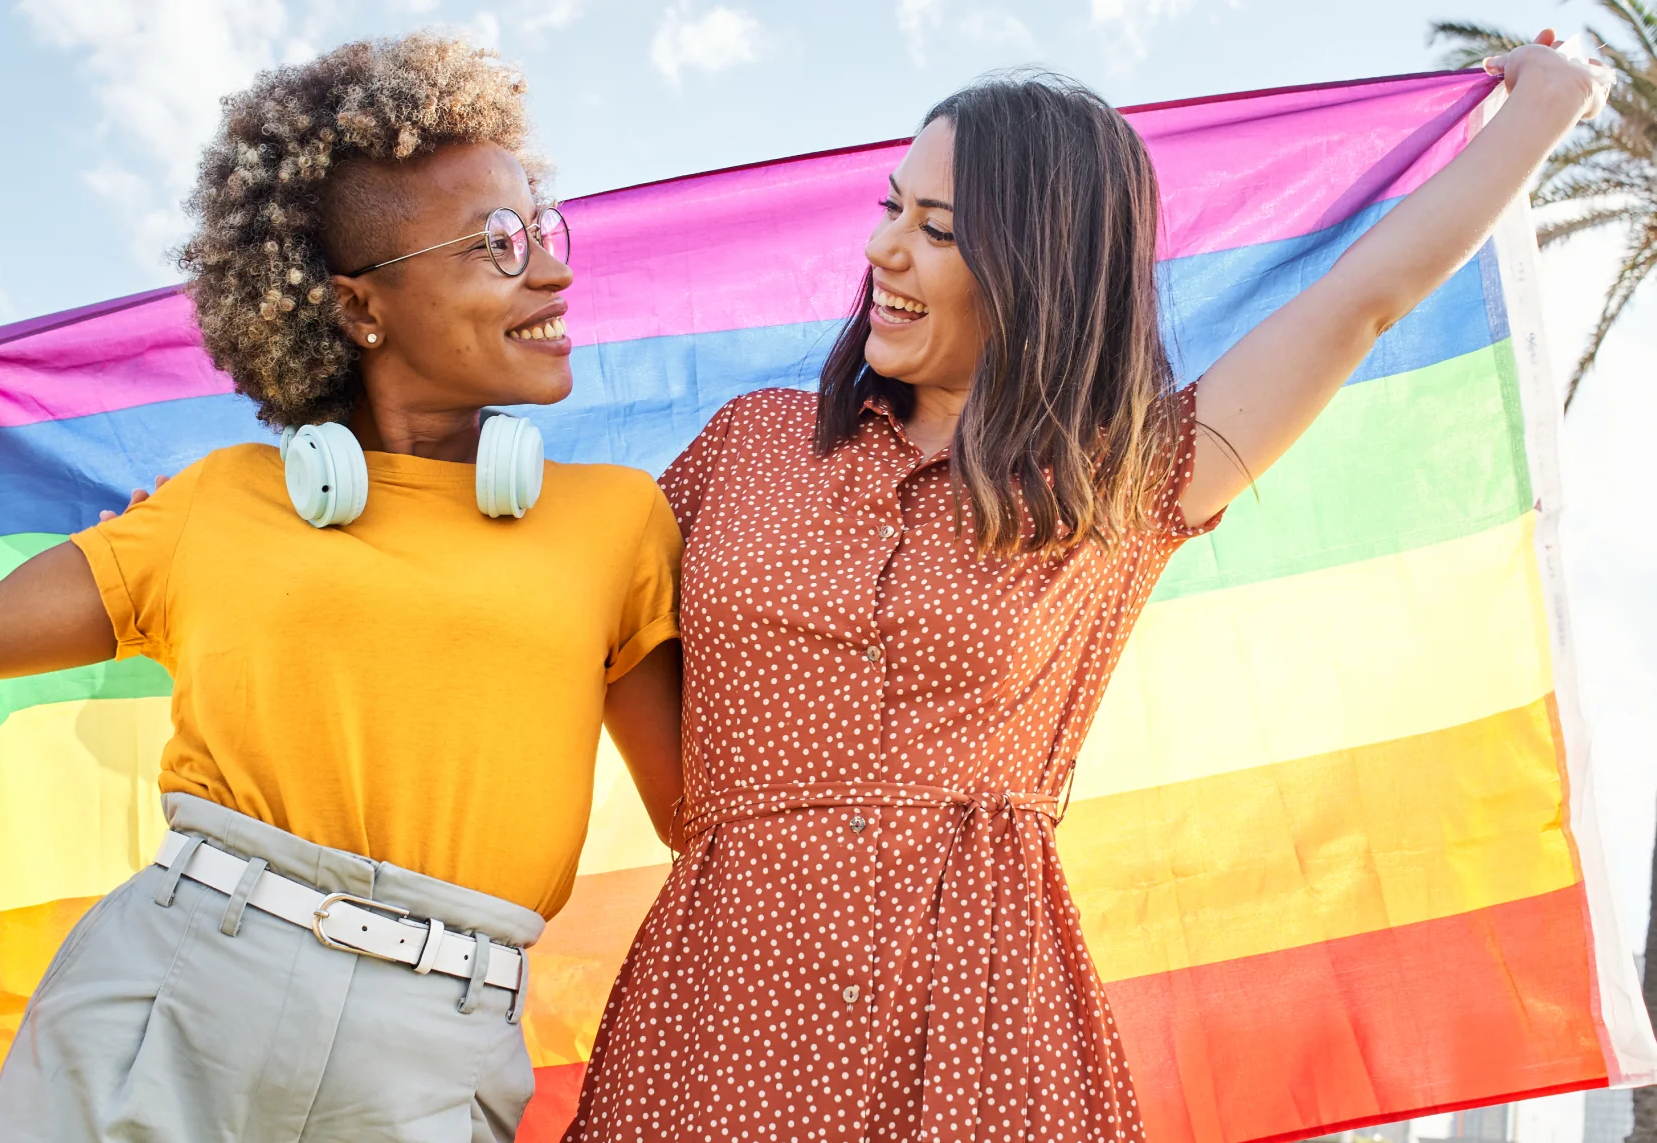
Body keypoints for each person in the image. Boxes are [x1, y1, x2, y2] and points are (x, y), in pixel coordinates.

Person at [564, 33, 1614, 1143]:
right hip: (717, 1013)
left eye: (936, 230)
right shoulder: (745, 448)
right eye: (888, 209)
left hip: (978, 1025)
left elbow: (1364, 299)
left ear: (1036, 265)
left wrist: (1544, 106)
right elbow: (598, 636)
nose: (882, 250)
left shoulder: (1128, 482)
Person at [0, 34, 685, 1143]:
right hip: (163, 994)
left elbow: (702, 817)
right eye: (496, 243)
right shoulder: (220, 501)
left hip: (434, 1057)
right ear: (360, 307)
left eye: (540, 227)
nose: (550, 271)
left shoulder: (617, 523)